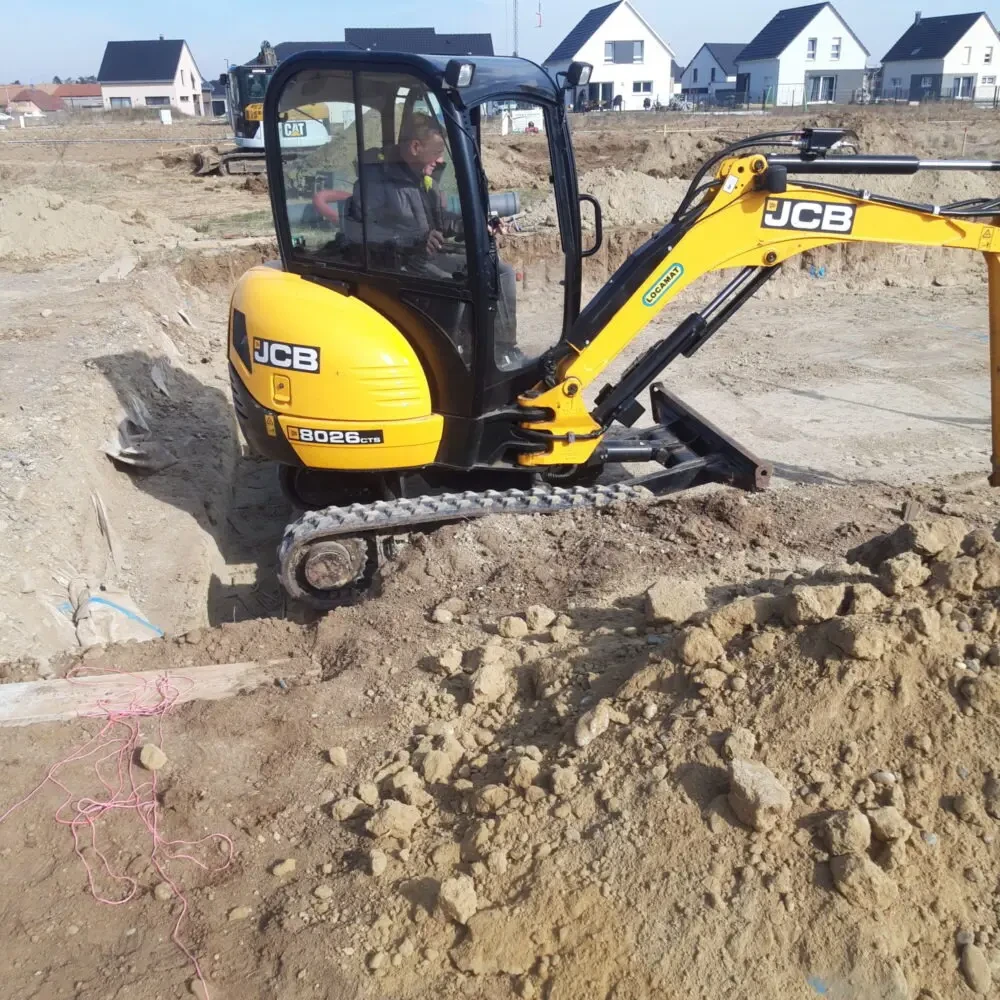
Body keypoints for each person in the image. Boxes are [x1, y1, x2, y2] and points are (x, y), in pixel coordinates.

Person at [344, 113, 520, 367]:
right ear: (415, 147)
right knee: (452, 285)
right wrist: (413, 240)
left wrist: (477, 225)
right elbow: (361, 234)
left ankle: (502, 349)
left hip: (422, 256)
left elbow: (440, 221)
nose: (440, 160)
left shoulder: (421, 181)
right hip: (391, 264)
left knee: (499, 271)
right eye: (437, 152)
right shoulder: (375, 183)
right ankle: (444, 362)